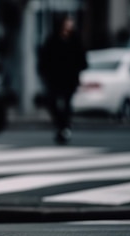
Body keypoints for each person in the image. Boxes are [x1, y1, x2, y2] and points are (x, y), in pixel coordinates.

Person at [38, 15, 88, 144]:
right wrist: (44, 72)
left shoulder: (75, 40)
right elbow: (44, 57)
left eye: (71, 23)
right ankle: (62, 125)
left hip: (69, 78)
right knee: (51, 102)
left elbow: (82, 59)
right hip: (54, 78)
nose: (69, 25)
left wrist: (77, 70)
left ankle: (64, 127)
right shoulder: (53, 39)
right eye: (67, 22)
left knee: (67, 104)